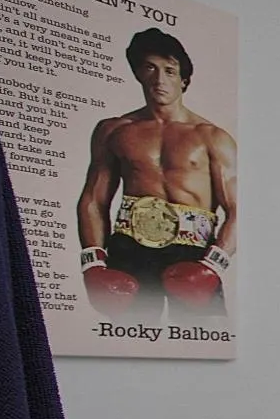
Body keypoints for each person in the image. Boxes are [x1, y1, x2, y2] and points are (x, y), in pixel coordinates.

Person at [76, 27, 237, 318]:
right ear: (138, 73)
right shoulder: (114, 130)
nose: (159, 79)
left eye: (169, 71)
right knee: (129, 335)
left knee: (199, 335)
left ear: (183, 80)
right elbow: (94, 200)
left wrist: (213, 265)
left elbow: (238, 209)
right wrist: (93, 263)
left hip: (193, 252)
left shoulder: (212, 137)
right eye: (150, 68)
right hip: (129, 249)